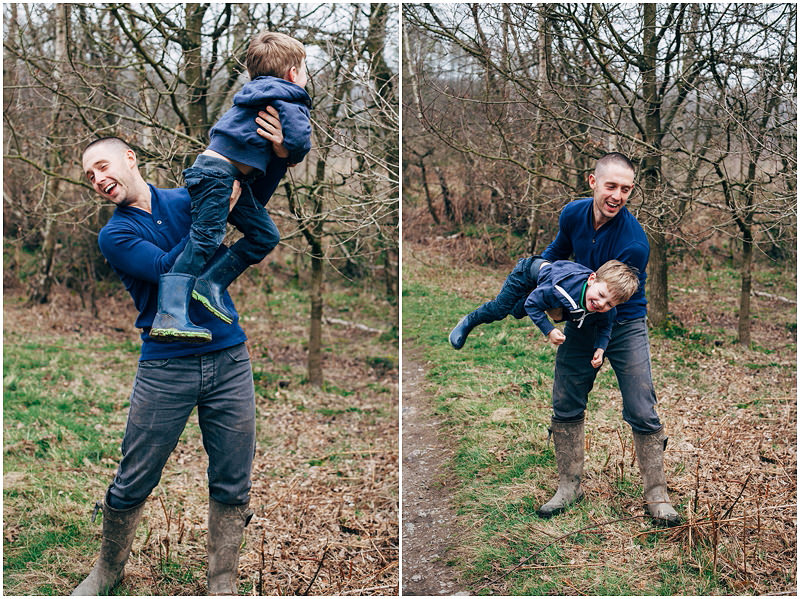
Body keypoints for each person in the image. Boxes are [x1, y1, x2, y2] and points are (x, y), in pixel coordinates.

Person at [73, 106, 287, 595]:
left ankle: (223, 583)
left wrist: (277, 154)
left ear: (129, 159)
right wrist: (214, 212)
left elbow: (253, 211)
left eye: (102, 167)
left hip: (229, 357)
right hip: (165, 366)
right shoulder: (116, 234)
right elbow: (173, 268)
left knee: (233, 478)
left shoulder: (184, 199)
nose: (98, 179)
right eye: (89, 177)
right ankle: (107, 571)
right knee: (134, 477)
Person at [534, 152, 681, 526]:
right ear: (593, 182)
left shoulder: (634, 242)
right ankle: (569, 486)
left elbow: (612, 302)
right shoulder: (571, 214)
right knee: (566, 399)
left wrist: (565, 309)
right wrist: (542, 284)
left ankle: (657, 494)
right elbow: (554, 256)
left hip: (624, 320)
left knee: (641, 406)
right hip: (583, 317)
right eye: (611, 186)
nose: (617, 195)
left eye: (626, 189)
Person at [150, 31, 312, 343]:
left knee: (265, 234)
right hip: (218, 175)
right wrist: (292, 152)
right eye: (304, 71)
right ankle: (169, 314)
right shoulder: (289, 97)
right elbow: (298, 141)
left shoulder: (252, 94)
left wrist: (280, 154)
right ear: (293, 74)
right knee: (205, 238)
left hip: (222, 174)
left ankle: (209, 284)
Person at [449, 258, 639, 369]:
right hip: (527, 273)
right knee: (500, 310)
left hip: (545, 285)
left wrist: (600, 348)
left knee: (517, 312)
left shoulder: (606, 307)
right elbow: (533, 303)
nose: (601, 304)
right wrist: (549, 330)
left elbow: (606, 326)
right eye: (601, 295)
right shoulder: (563, 289)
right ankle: (468, 321)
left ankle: (520, 305)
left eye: (609, 304)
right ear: (592, 280)